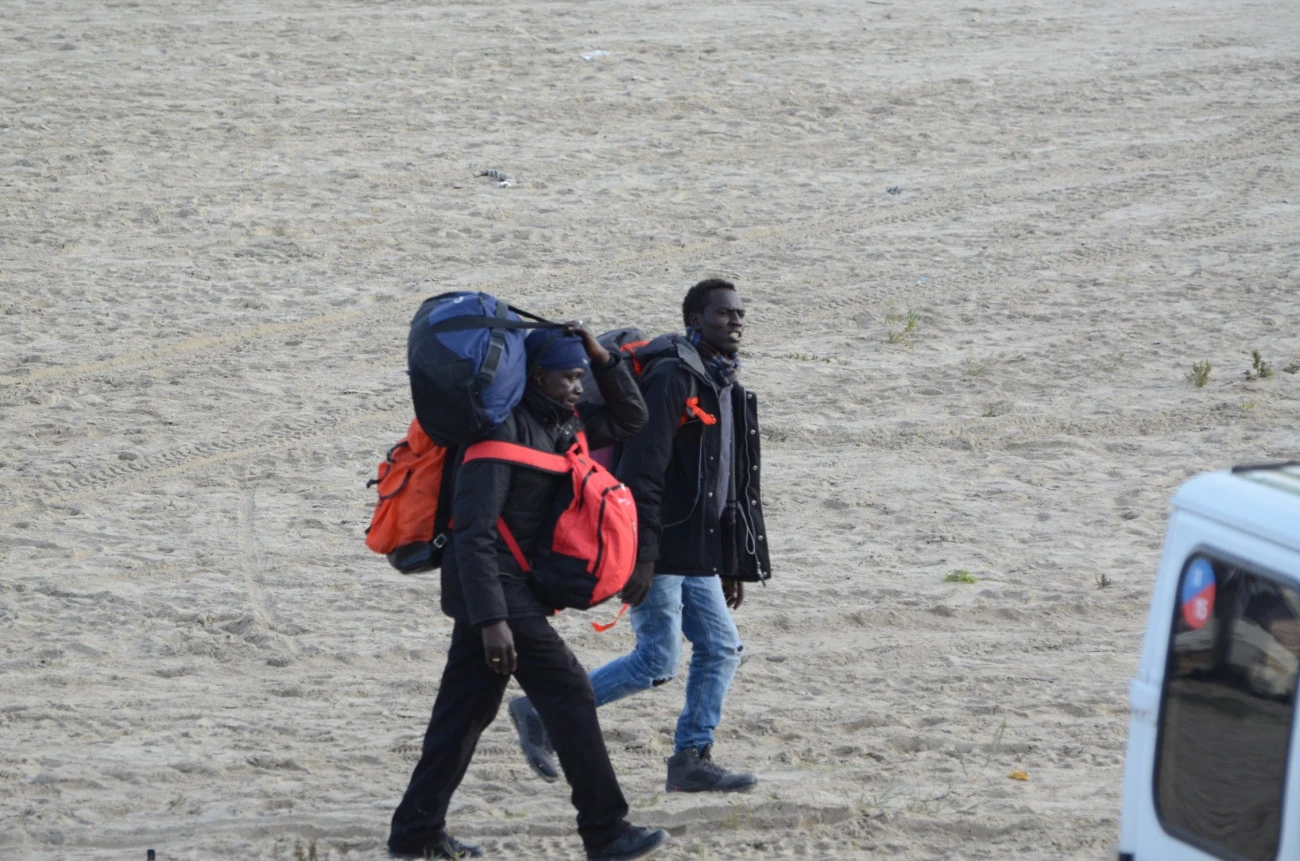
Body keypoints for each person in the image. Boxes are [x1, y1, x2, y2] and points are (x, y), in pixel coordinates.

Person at [388, 323, 669, 861]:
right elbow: (473, 536)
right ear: (537, 378)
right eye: (568, 378)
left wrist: (601, 359)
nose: (577, 388)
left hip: (504, 595)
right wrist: (493, 620)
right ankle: (607, 831)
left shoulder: (564, 423)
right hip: (494, 593)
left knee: (462, 714)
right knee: (570, 692)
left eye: (581, 379)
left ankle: (415, 836)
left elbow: (634, 418)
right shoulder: (496, 440)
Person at [508, 279, 771, 794]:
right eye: (723, 314)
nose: (736, 322)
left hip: (696, 548)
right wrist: (643, 556)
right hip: (659, 544)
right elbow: (641, 469)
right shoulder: (674, 376)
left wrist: (733, 559)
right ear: (696, 321)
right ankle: (541, 711)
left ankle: (692, 757)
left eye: (740, 313)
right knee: (657, 659)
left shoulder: (724, 382)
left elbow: (732, 480)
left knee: (721, 648)